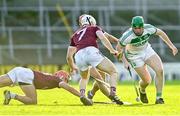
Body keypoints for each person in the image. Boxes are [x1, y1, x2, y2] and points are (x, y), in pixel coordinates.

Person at [116, 16, 178, 104]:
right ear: (132, 27)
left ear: (143, 26)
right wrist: (125, 61)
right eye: (135, 28)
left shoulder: (148, 28)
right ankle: (142, 90)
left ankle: (159, 98)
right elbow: (118, 49)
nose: (137, 30)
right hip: (134, 56)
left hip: (147, 50)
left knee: (160, 70)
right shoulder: (127, 36)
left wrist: (171, 46)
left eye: (139, 28)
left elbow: (161, 33)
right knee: (147, 80)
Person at [66, 14, 123, 105]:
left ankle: (82, 95)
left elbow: (69, 56)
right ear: (92, 22)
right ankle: (113, 93)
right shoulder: (94, 28)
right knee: (113, 71)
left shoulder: (75, 35)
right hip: (91, 52)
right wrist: (112, 50)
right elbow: (103, 38)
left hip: (79, 56)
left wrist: (72, 66)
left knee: (84, 78)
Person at [0, 67, 81, 105]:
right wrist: (82, 96)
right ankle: (11, 95)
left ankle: (10, 95)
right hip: (27, 75)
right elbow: (69, 88)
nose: (66, 82)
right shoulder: (57, 80)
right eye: (66, 80)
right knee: (32, 101)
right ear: (62, 77)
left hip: (21, 70)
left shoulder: (52, 78)